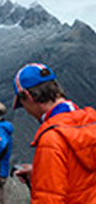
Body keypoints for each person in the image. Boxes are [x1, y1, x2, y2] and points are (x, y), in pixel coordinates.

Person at [13, 63, 96, 203]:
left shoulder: (51, 139)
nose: (27, 111)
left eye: (23, 104)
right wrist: (42, 173)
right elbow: (83, 177)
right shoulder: (92, 121)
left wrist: (43, 179)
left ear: (28, 96)